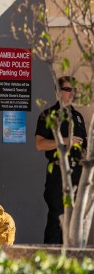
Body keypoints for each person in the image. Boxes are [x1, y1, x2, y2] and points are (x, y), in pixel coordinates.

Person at [35, 76, 88, 244]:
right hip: (58, 172)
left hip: (78, 172)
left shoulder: (78, 116)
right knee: (57, 218)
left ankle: (71, 261)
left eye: (74, 89)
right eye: (67, 89)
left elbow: (84, 145)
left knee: (76, 220)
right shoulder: (49, 115)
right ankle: (51, 263)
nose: (71, 93)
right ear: (58, 91)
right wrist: (65, 140)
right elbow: (39, 144)